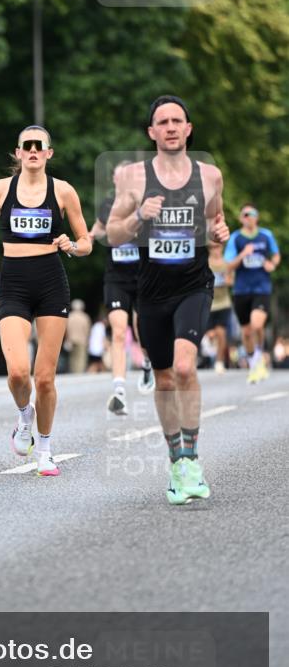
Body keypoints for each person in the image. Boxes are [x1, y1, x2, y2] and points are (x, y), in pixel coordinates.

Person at [107, 95, 229, 506]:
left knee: (182, 368)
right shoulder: (134, 179)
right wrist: (140, 215)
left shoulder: (210, 175)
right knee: (162, 379)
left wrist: (219, 234)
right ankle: (176, 458)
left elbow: (216, 219)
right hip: (152, 291)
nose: (172, 126)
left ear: (188, 129)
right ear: (152, 132)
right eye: (164, 121)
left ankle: (191, 458)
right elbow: (114, 234)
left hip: (194, 284)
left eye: (178, 120)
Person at [0, 124, 91, 477]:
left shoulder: (63, 192)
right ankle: (24, 415)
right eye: (27, 146)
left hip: (51, 283)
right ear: (18, 152)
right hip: (13, 282)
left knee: (44, 378)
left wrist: (71, 246)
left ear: (49, 153)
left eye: (39, 146)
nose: (33, 151)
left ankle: (45, 449)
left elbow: (86, 241)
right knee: (17, 372)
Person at [90, 161, 155, 414]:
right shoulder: (108, 206)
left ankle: (148, 363)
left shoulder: (144, 204)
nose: (120, 182)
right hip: (116, 278)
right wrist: (78, 242)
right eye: (117, 178)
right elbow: (94, 231)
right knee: (118, 331)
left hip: (143, 277)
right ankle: (119, 390)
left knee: (143, 331)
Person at [224, 204, 280, 383]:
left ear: (257, 217)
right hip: (241, 290)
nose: (249, 217)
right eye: (246, 214)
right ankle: (255, 364)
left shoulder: (266, 235)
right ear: (241, 218)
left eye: (252, 214)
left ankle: (261, 353)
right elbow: (229, 265)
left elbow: (276, 255)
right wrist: (243, 254)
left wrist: (273, 264)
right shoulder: (236, 238)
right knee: (246, 332)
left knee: (257, 325)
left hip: (261, 288)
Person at [205, 242, 232, 373]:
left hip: (223, 303)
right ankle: (209, 350)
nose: (216, 250)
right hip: (209, 304)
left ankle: (219, 361)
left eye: (218, 247)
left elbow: (231, 280)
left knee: (221, 334)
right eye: (213, 248)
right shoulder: (205, 264)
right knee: (211, 334)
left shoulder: (226, 264)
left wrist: (227, 281)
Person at [64, 298, 90, 374]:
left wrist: (67, 338)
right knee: (81, 358)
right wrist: (87, 339)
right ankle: (79, 373)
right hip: (82, 340)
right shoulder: (85, 317)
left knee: (72, 357)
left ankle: (73, 372)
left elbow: (66, 329)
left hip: (71, 340)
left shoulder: (69, 316)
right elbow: (87, 330)